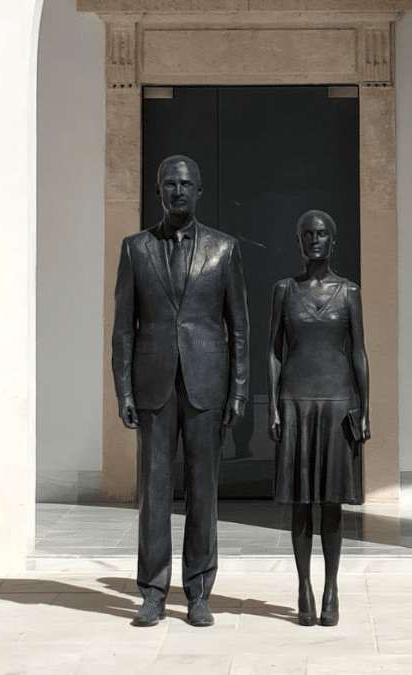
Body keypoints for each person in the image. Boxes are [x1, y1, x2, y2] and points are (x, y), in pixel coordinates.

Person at [111, 155, 249, 628]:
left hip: (206, 385)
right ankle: (152, 591)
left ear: (199, 191)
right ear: (158, 191)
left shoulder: (224, 250)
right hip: (152, 387)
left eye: (186, 183)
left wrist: (239, 391)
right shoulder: (136, 249)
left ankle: (198, 591)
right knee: (154, 492)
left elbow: (239, 328)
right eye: (169, 184)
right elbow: (123, 329)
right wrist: (123, 389)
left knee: (203, 492)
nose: (178, 191)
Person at [267, 209, 370, 627]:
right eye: (307, 233)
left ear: (333, 241)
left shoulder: (349, 293)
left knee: (330, 504)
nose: (314, 239)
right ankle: (303, 587)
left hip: (337, 403)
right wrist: (272, 405)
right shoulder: (283, 291)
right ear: (298, 241)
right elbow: (275, 350)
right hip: (295, 401)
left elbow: (359, 352)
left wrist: (366, 407)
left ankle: (331, 589)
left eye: (322, 233)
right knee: (300, 503)